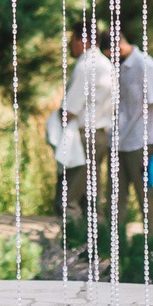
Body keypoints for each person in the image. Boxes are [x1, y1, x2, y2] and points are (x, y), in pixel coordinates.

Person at [46, 28, 115, 237]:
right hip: (100, 134)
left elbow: (69, 110)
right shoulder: (106, 64)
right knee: (91, 199)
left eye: (72, 40)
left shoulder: (87, 65)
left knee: (68, 199)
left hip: (84, 137)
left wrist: (56, 122)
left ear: (82, 40)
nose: (70, 45)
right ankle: (99, 244)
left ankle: (73, 244)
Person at [111, 26, 153, 246]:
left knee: (146, 196)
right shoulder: (118, 67)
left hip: (141, 142)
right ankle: (116, 245)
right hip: (118, 142)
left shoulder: (146, 65)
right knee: (116, 198)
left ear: (118, 45)